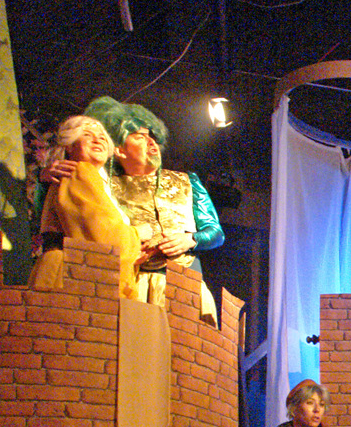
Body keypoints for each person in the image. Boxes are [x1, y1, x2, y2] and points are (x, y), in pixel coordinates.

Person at [45, 97, 224, 322]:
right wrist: (48, 178)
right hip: (131, 283)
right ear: (119, 150)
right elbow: (64, 219)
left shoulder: (188, 181)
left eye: (153, 137)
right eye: (140, 136)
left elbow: (216, 232)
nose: (151, 143)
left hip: (183, 282)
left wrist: (191, 239)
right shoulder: (103, 183)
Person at [30, 115, 141, 299]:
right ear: (70, 146)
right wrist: (137, 235)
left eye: (103, 137)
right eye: (88, 135)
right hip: (73, 276)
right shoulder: (80, 172)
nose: (98, 140)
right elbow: (107, 239)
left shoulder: (98, 181)